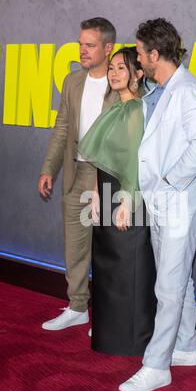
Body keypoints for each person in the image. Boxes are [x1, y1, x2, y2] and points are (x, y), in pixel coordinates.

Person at [119, 18, 196, 391]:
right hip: (162, 202)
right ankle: (186, 346)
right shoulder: (157, 90)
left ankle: (157, 365)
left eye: (140, 52)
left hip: (178, 199)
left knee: (168, 287)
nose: (137, 58)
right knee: (179, 280)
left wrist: (169, 183)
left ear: (155, 54)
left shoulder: (187, 91)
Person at [38, 18, 118, 330]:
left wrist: (106, 181)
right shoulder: (72, 82)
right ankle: (77, 306)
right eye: (80, 44)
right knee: (75, 245)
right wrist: (48, 168)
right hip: (75, 171)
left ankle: (110, 317)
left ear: (107, 48)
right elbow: (62, 129)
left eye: (90, 45)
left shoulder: (122, 82)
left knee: (109, 248)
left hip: (108, 176)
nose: (82, 50)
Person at [78, 47, 157, 356]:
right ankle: (109, 332)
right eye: (111, 68)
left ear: (138, 74)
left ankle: (131, 340)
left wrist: (127, 202)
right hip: (108, 193)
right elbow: (103, 159)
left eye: (121, 68)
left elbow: (135, 163)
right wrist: (97, 194)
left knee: (129, 269)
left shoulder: (138, 110)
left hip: (129, 197)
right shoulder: (113, 109)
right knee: (107, 266)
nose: (113, 73)